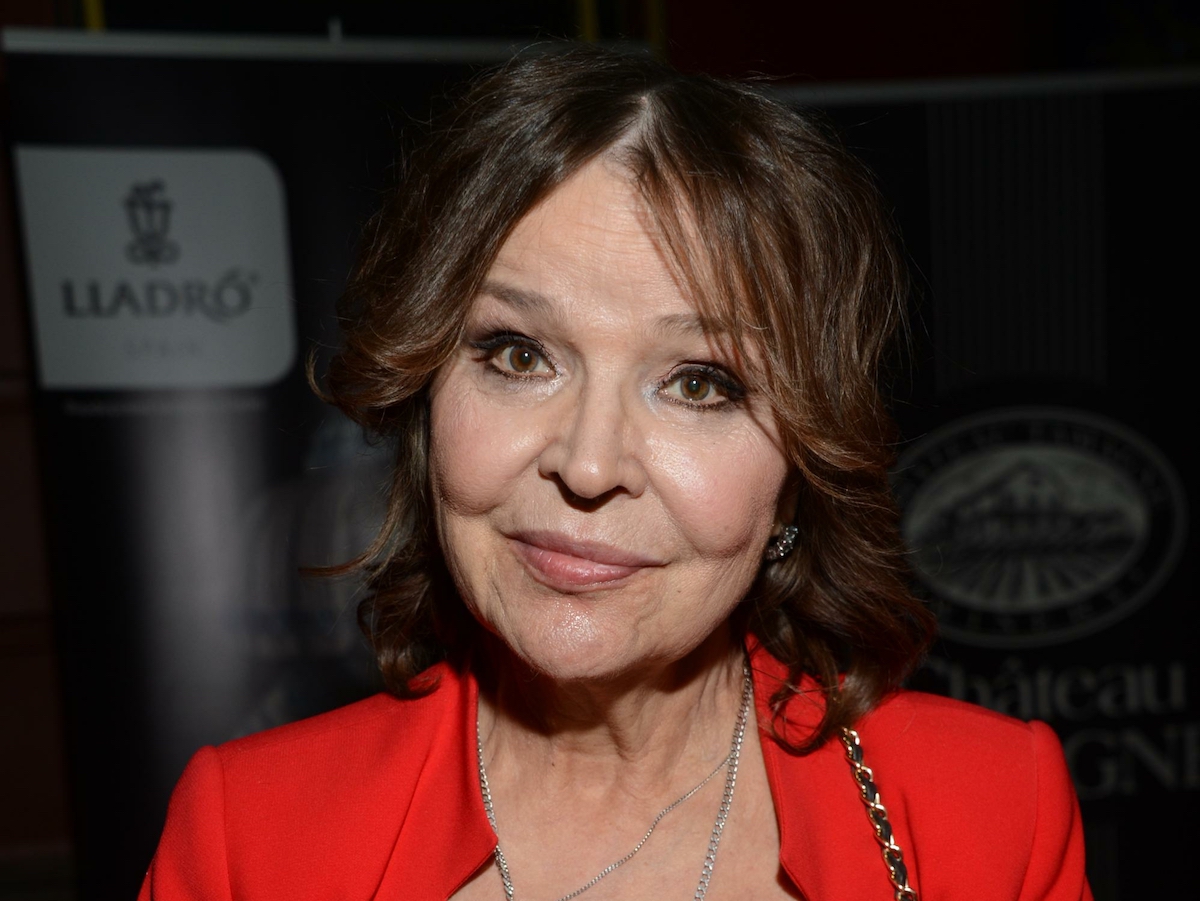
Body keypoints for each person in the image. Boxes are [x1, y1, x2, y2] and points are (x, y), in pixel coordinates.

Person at [140, 47, 1091, 900]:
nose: (589, 464)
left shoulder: (990, 813)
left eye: (700, 382)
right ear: (424, 392)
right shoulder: (251, 839)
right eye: (519, 354)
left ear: (803, 464)